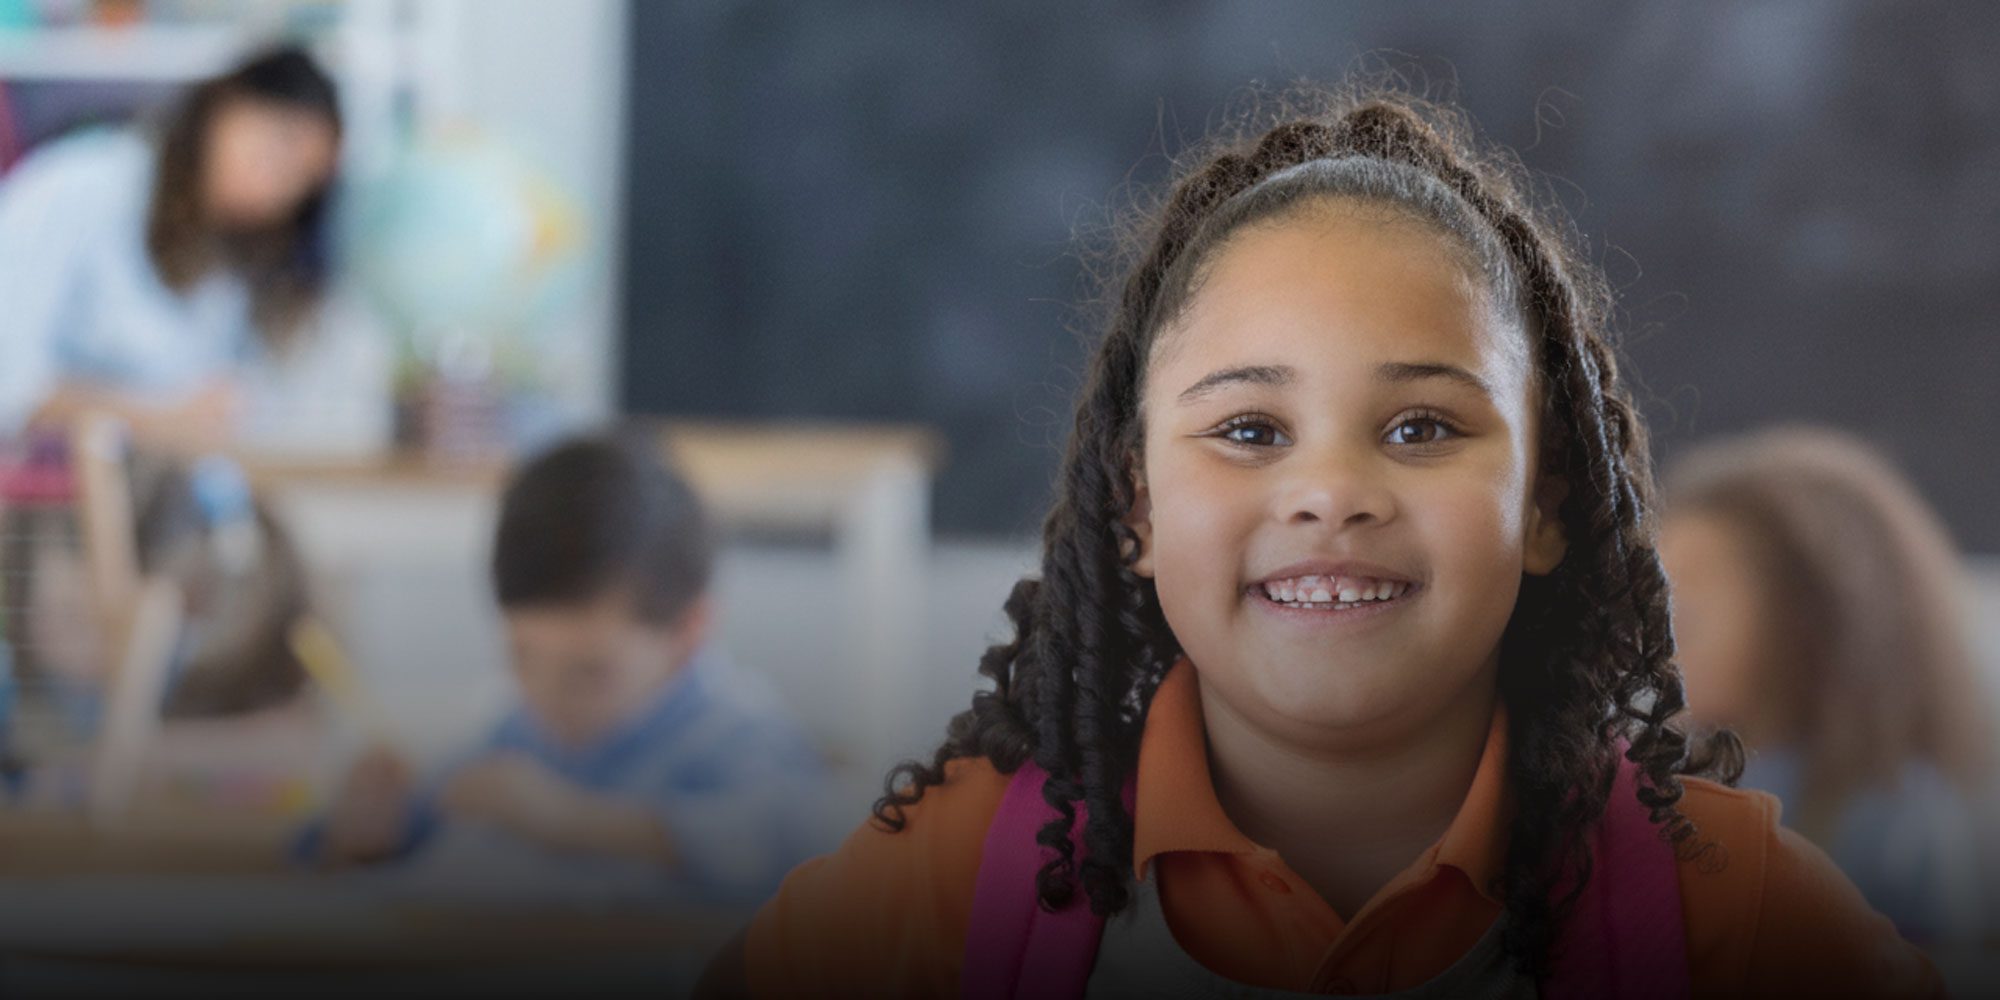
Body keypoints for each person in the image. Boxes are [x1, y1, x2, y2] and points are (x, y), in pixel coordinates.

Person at [700, 89, 1941, 996]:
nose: (1330, 491)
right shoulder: (956, 874)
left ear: (1545, 503)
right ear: (1133, 509)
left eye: (1419, 425)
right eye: (1247, 427)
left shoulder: (1720, 906)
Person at [308, 428, 833, 904]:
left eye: (589, 672)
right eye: (521, 656)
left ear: (687, 631)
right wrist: (366, 834)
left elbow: (793, 847)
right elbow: (400, 831)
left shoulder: (736, 736)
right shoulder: (519, 736)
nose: (543, 695)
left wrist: (575, 821)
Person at [1659, 426, 1993, 943]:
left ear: (1802, 625)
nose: (1659, 648)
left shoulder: (1896, 826)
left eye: (1689, 618)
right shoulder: (1668, 784)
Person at [0, 46, 341, 454]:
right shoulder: (78, 189)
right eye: (278, 142)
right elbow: (10, 388)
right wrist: (157, 417)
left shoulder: (235, 264)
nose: (277, 187)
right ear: (221, 105)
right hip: (41, 493)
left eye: (301, 178)